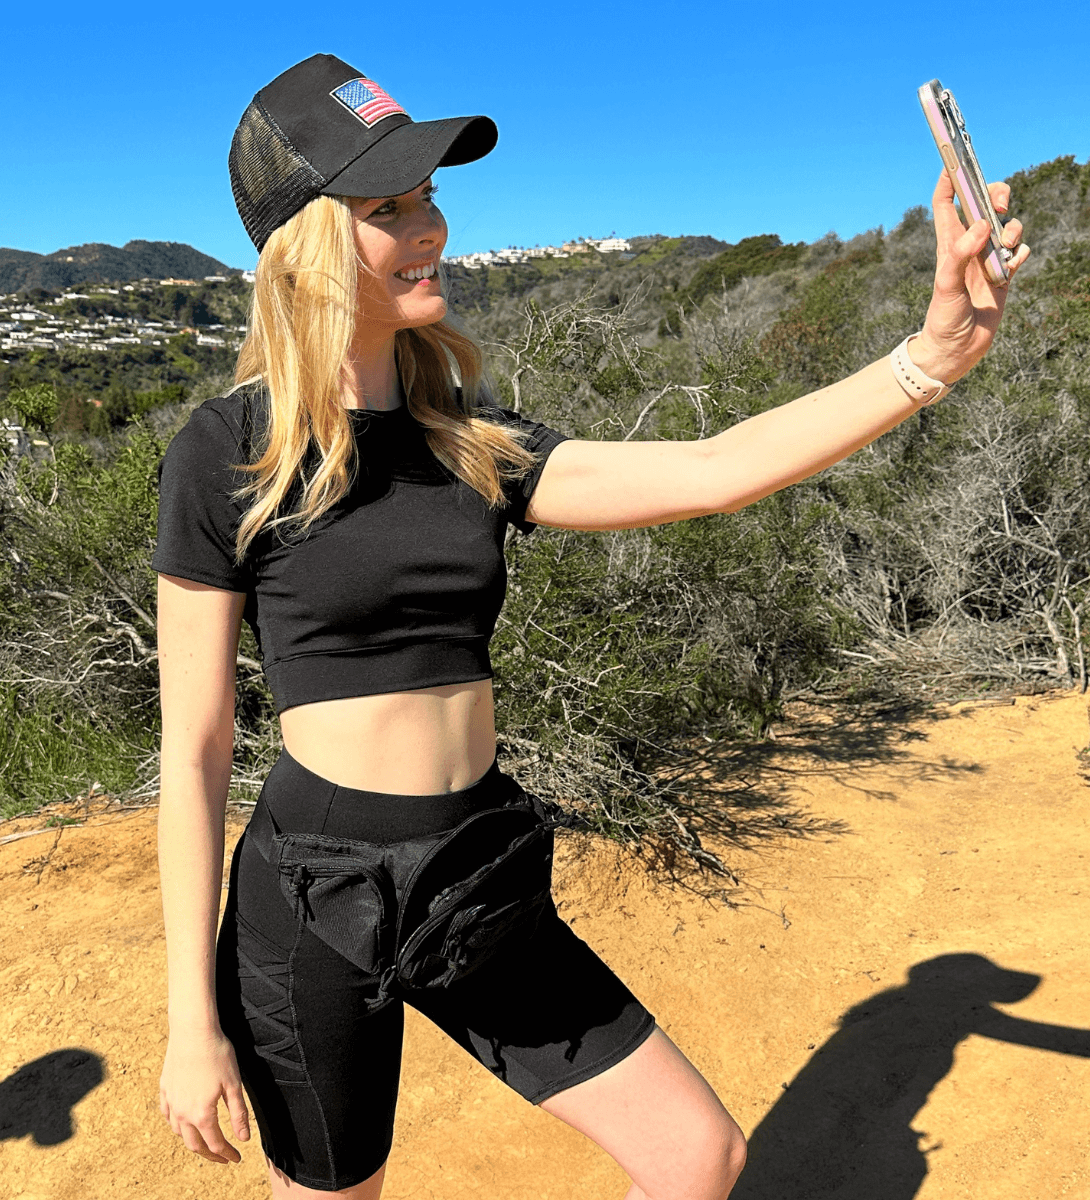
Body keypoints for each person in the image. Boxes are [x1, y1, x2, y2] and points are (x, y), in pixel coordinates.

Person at [152, 53, 1028, 1200]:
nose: (432, 228)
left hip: (470, 869)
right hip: (312, 894)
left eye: (428, 199)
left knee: (694, 1156)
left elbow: (715, 469)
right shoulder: (229, 454)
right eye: (388, 209)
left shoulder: (471, 442)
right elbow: (198, 748)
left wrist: (935, 357)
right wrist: (189, 1021)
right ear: (307, 247)